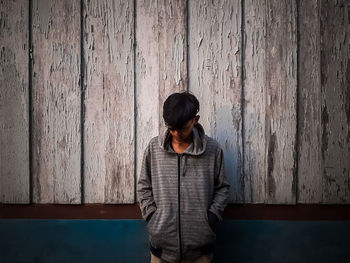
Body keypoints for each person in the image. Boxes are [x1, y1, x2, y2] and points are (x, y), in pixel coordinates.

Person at [137, 91, 231, 263]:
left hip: (200, 251)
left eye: (182, 128)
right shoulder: (154, 149)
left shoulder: (213, 150)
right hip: (161, 250)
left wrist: (210, 220)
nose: (176, 133)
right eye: (171, 128)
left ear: (195, 120)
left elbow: (222, 188)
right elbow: (144, 186)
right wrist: (152, 217)